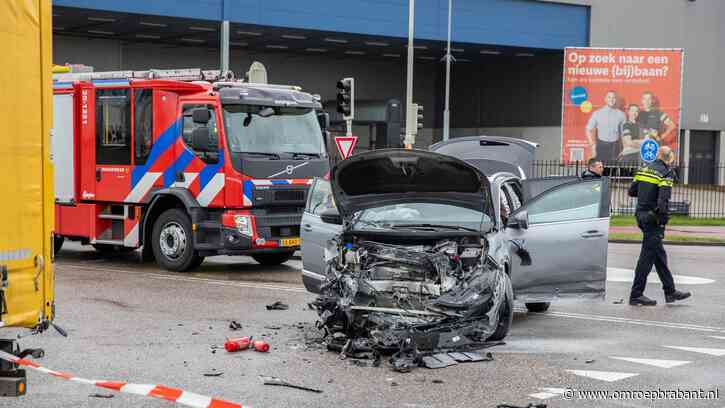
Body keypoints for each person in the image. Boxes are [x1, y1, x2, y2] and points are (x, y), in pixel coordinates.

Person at [627, 146, 691, 306]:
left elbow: (632, 191)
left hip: (641, 215)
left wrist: (647, 193)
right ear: (669, 158)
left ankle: (670, 291)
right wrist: (662, 220)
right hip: (653, 219)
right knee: (646, 258)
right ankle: (636, 294)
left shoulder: (644, 169)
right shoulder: (666, 173)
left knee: (659, 255)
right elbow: (663, 200)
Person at [586, 90, 626, 163]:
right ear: (605, 99)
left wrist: (625, 148)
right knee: (601, 170)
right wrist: (592, 145)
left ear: (616, 99)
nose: (611, 99)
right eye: (609, 97)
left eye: (613, 97)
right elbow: (588, 129)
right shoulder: (597, 113)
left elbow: (623, 134)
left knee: (614, 169)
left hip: (615, 147)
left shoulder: (621, 115)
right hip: (601, 146)